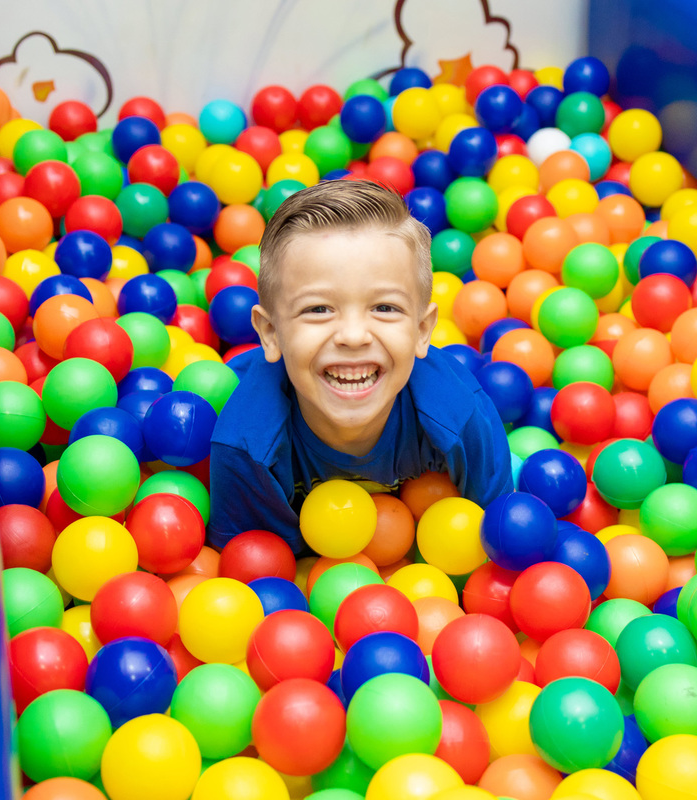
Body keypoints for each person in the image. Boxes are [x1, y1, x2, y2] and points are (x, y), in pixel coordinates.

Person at [208, 179, 512, 552]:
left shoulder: (459, 414)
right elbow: (263, 569)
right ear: (270, 333)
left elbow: (502, 538)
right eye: (318, 309)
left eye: (384, 307)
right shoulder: (246, 444)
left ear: (422, 330)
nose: (353, 336)